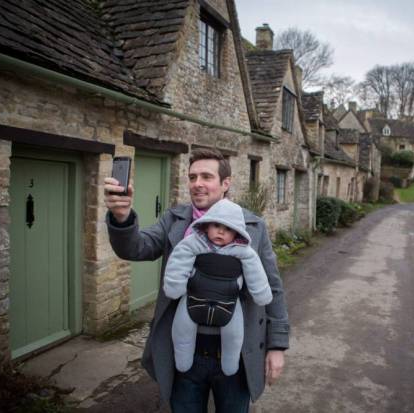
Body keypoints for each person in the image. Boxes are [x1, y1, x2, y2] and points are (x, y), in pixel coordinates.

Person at [104, 148, 289, 413]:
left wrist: (277, 345)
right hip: (184, 353)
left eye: (206, 176)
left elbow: (272, 287)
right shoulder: (174, 220)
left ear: (226, 184)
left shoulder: (253, 227)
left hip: (237, 353)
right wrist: (121, 219)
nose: (197, 184)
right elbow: (136, 248)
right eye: (192, 177)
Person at [163, 198, 272, 376]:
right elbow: (179, 261)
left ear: (237, 232)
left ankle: (230, 364)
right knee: (182, 330)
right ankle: (182, 361)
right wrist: (175, 285)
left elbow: (256, 273)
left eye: (228, 228)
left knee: (234, 336)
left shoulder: (243, 252)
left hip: (229, 303)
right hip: (192, 299)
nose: (221, 231)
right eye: (216, 225)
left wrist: (261, 294)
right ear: (206, 225)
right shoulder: (194, 243)